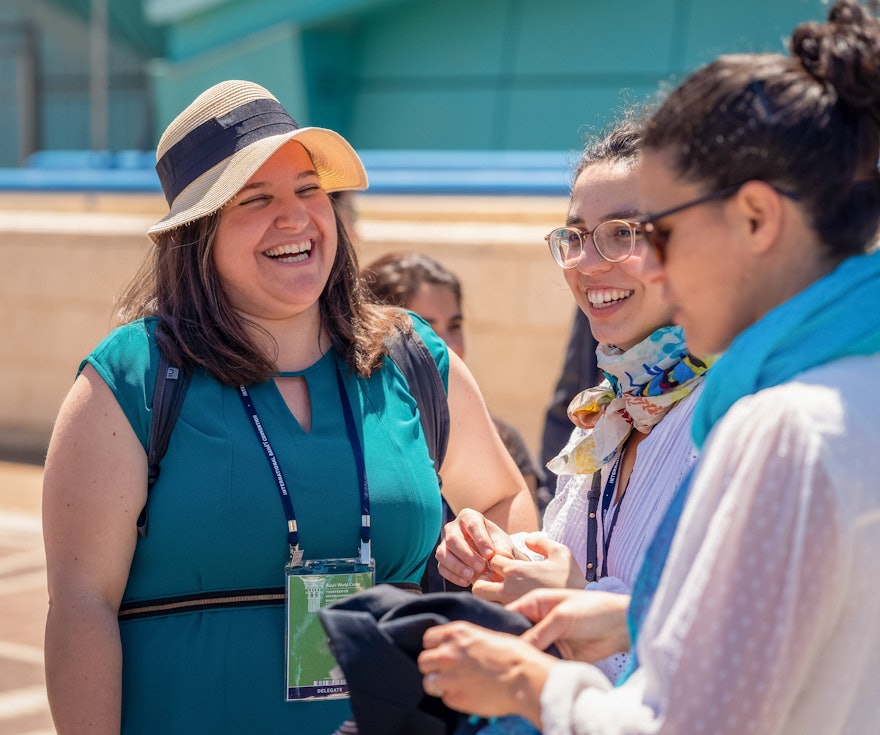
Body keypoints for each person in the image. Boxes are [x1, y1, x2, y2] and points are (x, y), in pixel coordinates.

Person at [418, 1, 880, 732]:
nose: (647, 264)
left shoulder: (786, 424)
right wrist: (633, 616)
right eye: (576, 236)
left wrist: (525, 682)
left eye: (655, 232)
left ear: (756, 219)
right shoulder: (846, 391)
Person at [41, 79, 538, 734]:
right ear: (198, 234)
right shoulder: (130, 381)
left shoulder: (413, 358)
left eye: (310, 190)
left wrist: (485, 549)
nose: (296, 217)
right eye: (257, 199)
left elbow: (506, 501)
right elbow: (82, 607)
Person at [434, 117, 712, 682]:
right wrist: (499, 561)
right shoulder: (602, 417)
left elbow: (741, 653)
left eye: (621, 233)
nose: (587, 265)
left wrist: (576, 596)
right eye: (576, 237)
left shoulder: (737, 415)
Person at [361, 251, 547, 511]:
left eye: (455, 326)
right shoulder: (360, 440)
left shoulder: (505, 441)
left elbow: (523, 541)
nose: (446, 346)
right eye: (425, 331)